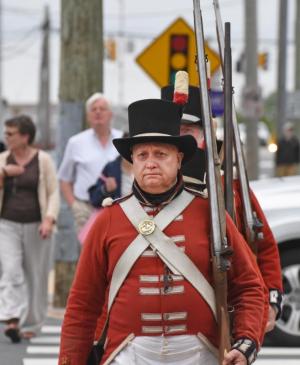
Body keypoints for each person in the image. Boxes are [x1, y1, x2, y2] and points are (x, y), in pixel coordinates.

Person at [59, 98, 265, 365]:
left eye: (161, 154)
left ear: (179, 160)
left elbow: (248, 286)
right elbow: (82, 305)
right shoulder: (108, 219)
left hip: (200, 354)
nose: (151, 163)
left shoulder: (209, 213)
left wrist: (246, 341)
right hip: (127, 354)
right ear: (132, 161)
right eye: (142, 155)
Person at [161, 84, 283, 335]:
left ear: (205, 135)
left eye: (188, 131)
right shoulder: (145, 191)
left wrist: (270, 300)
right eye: (175, 132)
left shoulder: (232, 189)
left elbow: (263, 246)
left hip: (226, 310)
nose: (182, 138)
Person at [0, 115, 60, 342]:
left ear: (25, 136)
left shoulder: (43, 160)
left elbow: (53, 192)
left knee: (36, 275)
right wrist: (5, 173)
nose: (6, 137)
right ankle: (12, 318)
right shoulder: (3, 159)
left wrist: (49, 219)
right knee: (11, 269)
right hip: (7, 223)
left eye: (10, 133)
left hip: (37, 225)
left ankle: (31, 323)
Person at [58, 92, 123, 233]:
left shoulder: (122, 139)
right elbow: (64, 179)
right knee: (89, 253)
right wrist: (74, 205)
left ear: (111, 114)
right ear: (88, 116)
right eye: (93, 109)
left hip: (119, 207)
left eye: (102, 109)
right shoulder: (75, 142)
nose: (98, 112)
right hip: (86, 208)